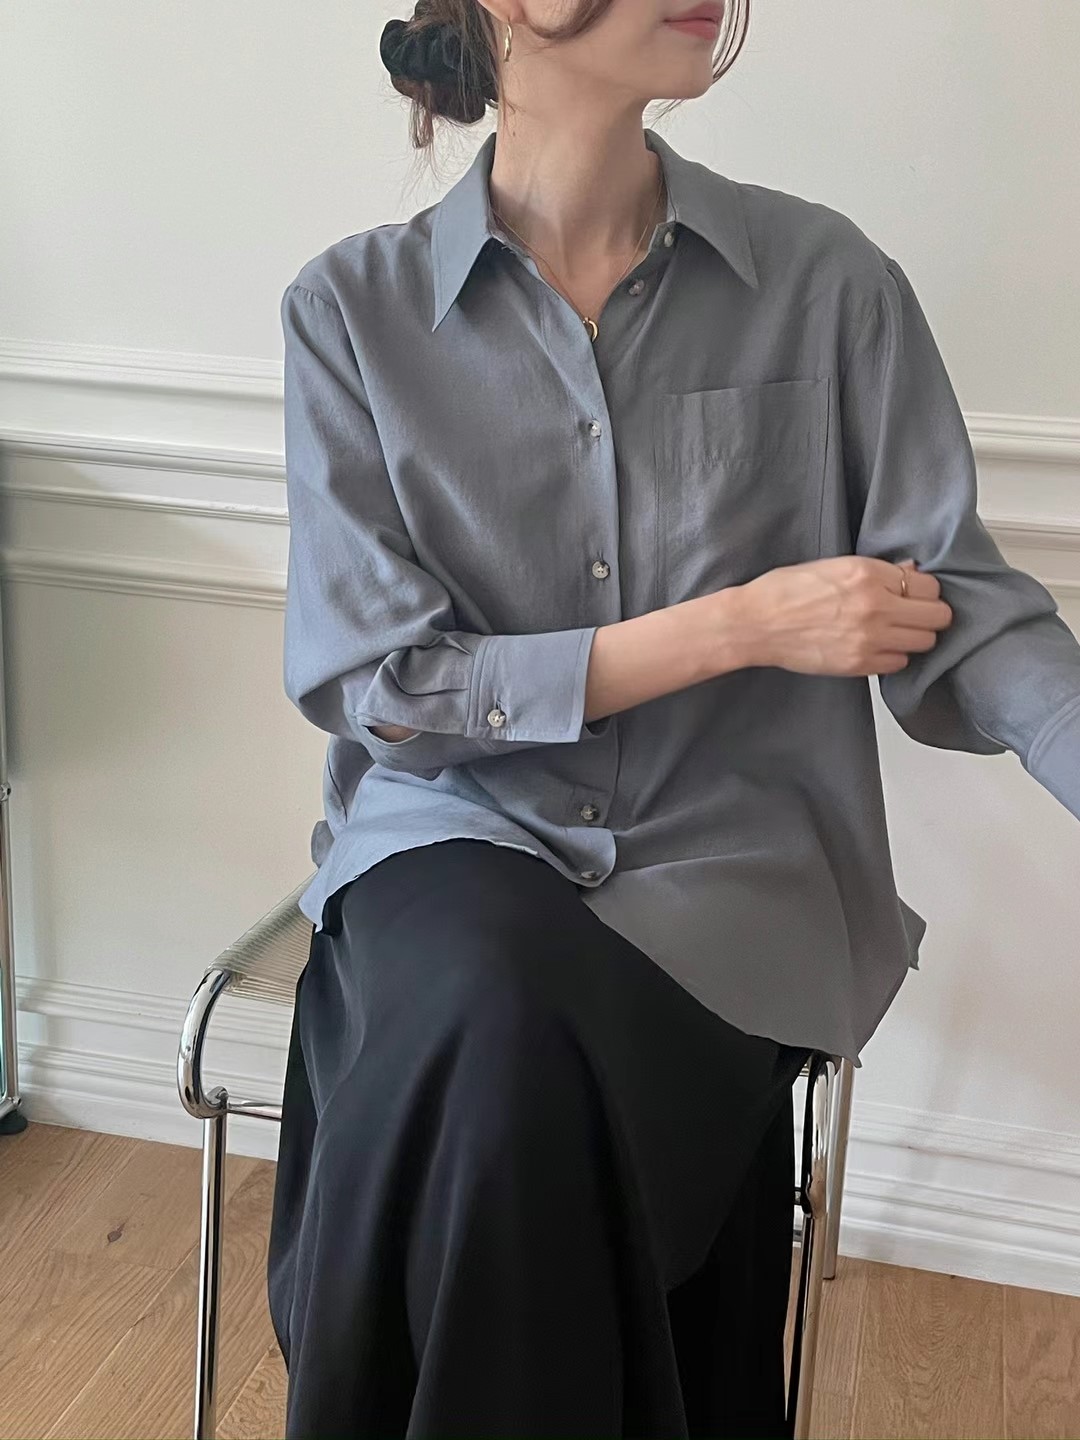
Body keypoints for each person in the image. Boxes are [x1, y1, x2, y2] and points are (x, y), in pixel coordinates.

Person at [267, 2, 1080, 1435]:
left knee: (506, 1073)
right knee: (494, 1023)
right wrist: (741, 625)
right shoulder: (350, 312)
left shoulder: (826, 283)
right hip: (453, 839)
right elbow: (382, 685)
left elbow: (959, 609)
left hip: (728, 876)